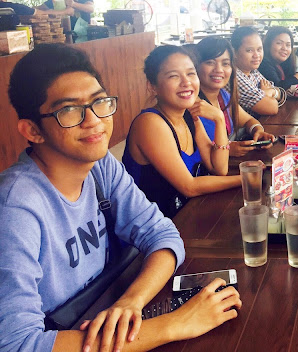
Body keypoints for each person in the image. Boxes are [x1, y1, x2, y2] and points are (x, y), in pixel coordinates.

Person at [0, 44, 242, 352]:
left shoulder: (100, 165)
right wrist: (174, 324)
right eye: (69, 110)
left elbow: (162, 234)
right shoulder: (15, 208)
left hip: (105, 312)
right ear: (33, 130)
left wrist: (131, 303)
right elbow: (18, 344)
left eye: (99, 101)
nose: (94, 121)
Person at [123, 45, 242, 218]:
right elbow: (189, 186)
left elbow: (219, 167)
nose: (186, 82)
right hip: (150, 228)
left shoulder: (188, 115)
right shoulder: (149, 123)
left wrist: (219, 119)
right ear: (152, 86)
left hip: (187, 215)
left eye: (191, 73)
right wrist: (246, 178)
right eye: (174, 76)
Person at [195, 36, 275, 157]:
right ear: (196, 66)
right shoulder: (192, 105)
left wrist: (258, 131)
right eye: (210, 62)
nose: (219, 69)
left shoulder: (223, 95)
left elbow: (248, 120)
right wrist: (226, 148)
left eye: (225, 64)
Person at [231, 26, 283, 116]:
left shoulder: (252, 71)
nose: (256, 55)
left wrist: (270, 92)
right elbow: (271, 107)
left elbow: (281, 93)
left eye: (259, 49)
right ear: (234, 52)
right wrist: (268, 93)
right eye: (249, 50)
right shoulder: (235, 76)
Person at [258, 26, 298, 90]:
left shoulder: (282, 65)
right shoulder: (263, 64)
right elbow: (277, 88)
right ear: (268, 44)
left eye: (288, 45)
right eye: (279, 43)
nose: (284, 48)